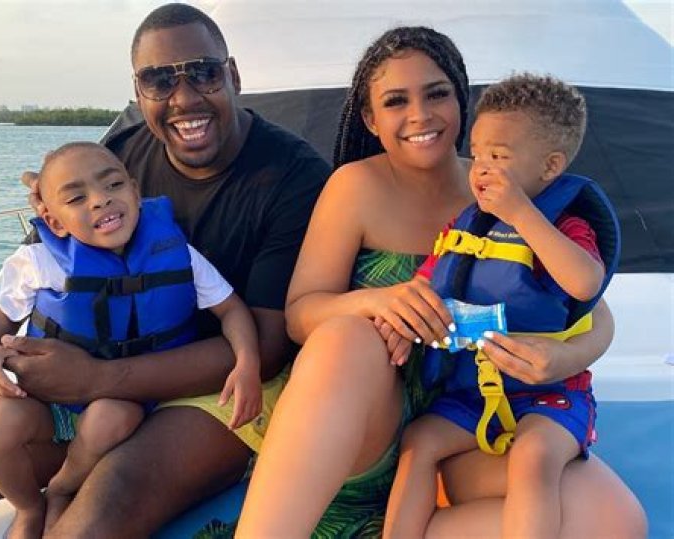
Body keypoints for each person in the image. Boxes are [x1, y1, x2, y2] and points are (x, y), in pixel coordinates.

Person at [236, 26, 646, 537]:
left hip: (468, 426)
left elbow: (594, 310)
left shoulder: (507, 184)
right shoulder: (355, 187)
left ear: (460, 100)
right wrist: (378, 302)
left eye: (436, 94)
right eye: (395, 101)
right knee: (344, 337)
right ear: (370, 118)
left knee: (616, 520)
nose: (420, 115)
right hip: (368, 428)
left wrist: (565, 358)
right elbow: (300, 315)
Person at [0, 4, 329, 536]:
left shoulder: (294, 179)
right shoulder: (120, 157)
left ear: (233, 75)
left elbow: (266, 350)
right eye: (159, 80)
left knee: (106, 506)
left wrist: (96, 379)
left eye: (204, 72)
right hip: (100, 380)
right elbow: (48, 268)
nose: (184, 98)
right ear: (139, 90)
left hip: (223, 386)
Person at [0, 141, 262, 538]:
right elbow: (0, 321)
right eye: (77, 197)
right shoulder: (39, 262)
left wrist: (247, 363)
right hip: (49, 403)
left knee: (112, 417)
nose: (100, 200)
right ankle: (28, 507)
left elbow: (232, 310)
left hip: (123, 402)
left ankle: (62, 488)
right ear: (54, 222)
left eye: (113, 185)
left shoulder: (179, 254)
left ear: (135, 193)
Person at [382, 73, 619, 538]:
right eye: (477, 154)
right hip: (471, 393)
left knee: (533, 457)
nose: (482, 169)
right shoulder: (467, 224)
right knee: (419, 442)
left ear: (550, 167)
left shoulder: (566, 227)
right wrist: (402, 323)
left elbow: (584, 281)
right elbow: (425, 283)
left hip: (551, 396)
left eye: (499, 157)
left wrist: (521, 214)